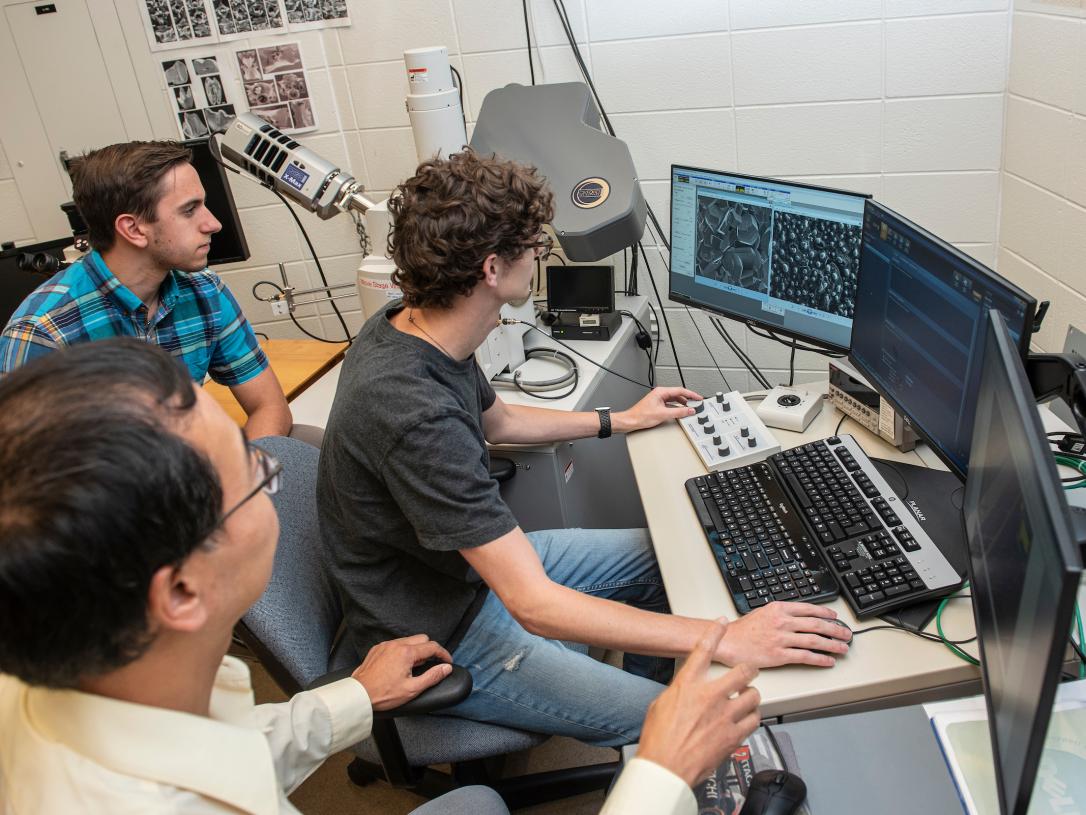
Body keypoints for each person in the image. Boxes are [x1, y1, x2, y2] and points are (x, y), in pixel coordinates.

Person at [316, 150, 851, 748]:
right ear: (493, 268)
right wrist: (722, 637)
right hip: (441, 625)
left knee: (671, 557)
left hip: (467, 578)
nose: (541, 257)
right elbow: (534, 605)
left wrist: (618, 420)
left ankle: (662, 688)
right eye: (533, 247)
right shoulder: (412, 410)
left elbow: (501, 419)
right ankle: (655, 729)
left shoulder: (414, 323)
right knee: (694, 722)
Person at [0, 339, 500, 814]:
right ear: (180, 590)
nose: (271, 474)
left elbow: (212, 751)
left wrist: (354, 696)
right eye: (255, 471)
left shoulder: (100, 683)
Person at [0, 140, 291, 439]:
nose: (213, 224)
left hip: (187, 469)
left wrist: (243, 481)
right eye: (190, 210)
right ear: (134, 229)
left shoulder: (205, 290)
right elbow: (25, 478)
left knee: (302, 450)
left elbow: (268, 407)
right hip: (113, 484)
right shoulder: (43, 335)